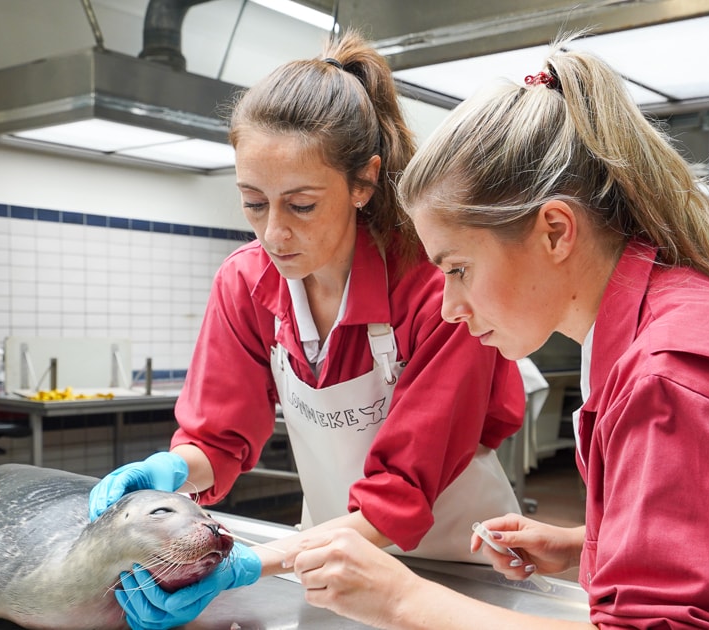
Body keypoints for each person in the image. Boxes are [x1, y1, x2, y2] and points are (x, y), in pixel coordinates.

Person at [284, 35, 709, 629]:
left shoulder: (669, 378)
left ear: (554, 231)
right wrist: (596, 544)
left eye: (458, 269)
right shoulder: (675, 312)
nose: (450, 307)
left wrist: (403, 602)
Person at [89, 31, 527, 630]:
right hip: (326, 561)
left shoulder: (437, 290)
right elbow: (218, 442)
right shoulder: (245, 285)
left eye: (300, 205)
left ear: (363, 183)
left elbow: (403, 487)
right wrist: (171, 474)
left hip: (458, 570)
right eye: (252, 202)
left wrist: (247, 564)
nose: (273, 234)